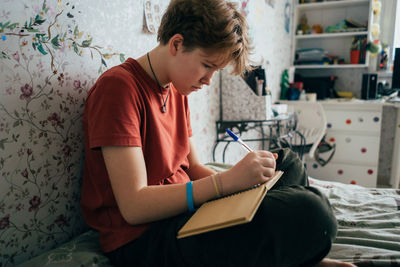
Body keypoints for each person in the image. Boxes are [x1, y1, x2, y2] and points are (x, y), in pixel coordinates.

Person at [81, 0, 357, 266]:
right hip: (146, 238)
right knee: (314, 213)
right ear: (177, 44)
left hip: (184, 214)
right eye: (207, 65)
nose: (208, 80)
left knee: (286, 164)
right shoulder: (118, 89)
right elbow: (134, 206)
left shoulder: (176, 90)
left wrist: (243, 191)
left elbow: (194, 167)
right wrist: (224, 185)